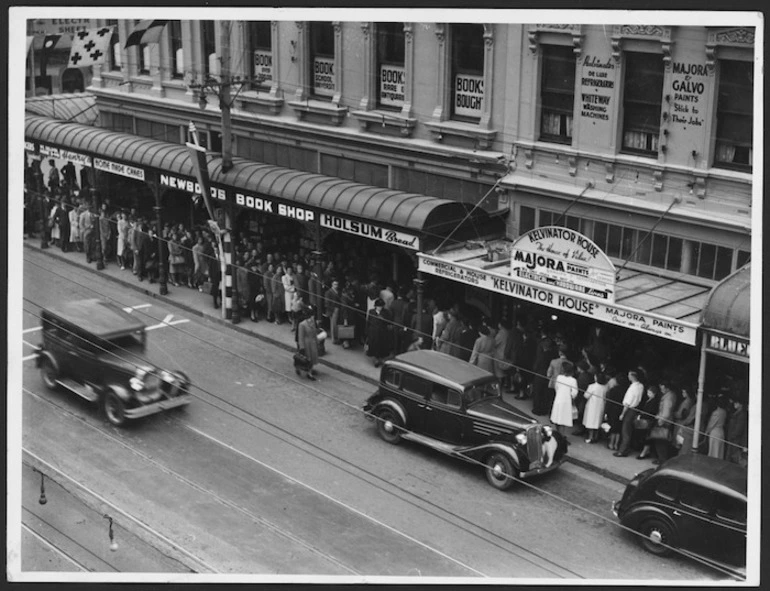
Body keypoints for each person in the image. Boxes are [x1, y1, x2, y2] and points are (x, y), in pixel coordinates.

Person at [614, 370, 645, 457]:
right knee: (629, 430)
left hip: (629, 409)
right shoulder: (641, 386)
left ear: (632, 377)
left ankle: (622, 451)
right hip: (635, 408)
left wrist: (622, 414)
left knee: (625, 431)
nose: (628, 377)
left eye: (629, 375)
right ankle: (626, 449)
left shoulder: (632, 388)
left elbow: (627, 403)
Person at [648, 381, 678, 464]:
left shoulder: (668, 398)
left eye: (662, 387)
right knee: (662, 441)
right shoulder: (672, 395)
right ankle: (662, 459)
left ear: (666, 387)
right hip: (666, 420)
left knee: (660, 441)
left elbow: (666, 413)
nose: (661, 389)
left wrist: (660, 420)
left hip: (663, 421)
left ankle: (662, 460)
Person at [531, 326, 557, 415]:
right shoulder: (553, 355)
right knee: (545, 393)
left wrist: (534, 370)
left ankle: (537, 409)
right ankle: (544, 409)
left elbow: (538, 363)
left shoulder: (542, 356)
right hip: (548, 375)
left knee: (538, 391)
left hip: (540, 373)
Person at [550, 362, 578, 436]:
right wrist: (571, 396)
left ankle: (558, 434)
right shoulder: (573, 380)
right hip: (566, 401)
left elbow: (556, 387)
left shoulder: (559, 377)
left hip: (558, 399)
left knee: (557, 417)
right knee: (563, 419)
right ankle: (561, 436)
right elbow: (575, 392)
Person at [634, 384, 660, 458]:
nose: (648, 394)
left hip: (648, 421)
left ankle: (644, 453)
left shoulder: (654, 402)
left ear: (654, 393)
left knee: (647, 437)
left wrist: (641, 415)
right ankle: (646, 451)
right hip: (646, 420)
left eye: (650, 393)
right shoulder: (650, 400)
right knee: (645, 437)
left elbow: (650, 412)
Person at [365, 298, 392, 367]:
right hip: (373, 333)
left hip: (382, 333)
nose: (380, 308)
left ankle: (380, 358)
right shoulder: (371, 312)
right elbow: (368, 322)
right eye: (379, 306)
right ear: (375, 306)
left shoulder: (386, 312)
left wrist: (384, 319)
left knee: (381, 347)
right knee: (374, 346)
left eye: (381, 306)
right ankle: (376, 360)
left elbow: (389, 322)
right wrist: (367, 332)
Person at [605, 372, 628, 451]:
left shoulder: (613, 390)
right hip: (621, 410)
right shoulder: (626, 390)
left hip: (613, 410)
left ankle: (611, 443)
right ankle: (616, 445)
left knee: (613, 428)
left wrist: (606, 412)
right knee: (618, 429)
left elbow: (609, 402)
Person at [583, 372, 608, 443]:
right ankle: (596, 437)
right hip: (601, 406)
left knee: (591, 422)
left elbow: (586, 395)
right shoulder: (605, 387)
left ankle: (590, 437)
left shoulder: (592, 386)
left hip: (592, 406)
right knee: (597, 422)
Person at [296, 307, 319, 380]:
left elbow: (315, 333)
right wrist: (301, 347)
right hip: (306, 344)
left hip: (312, 343)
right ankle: (303, 370)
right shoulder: (302, 324)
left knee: (312, 358)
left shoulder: (313, 323)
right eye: (312, 316)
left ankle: (310, 372)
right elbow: (301, 337)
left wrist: (317, 341)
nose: (313, 317)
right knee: (306, 359)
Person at [726, 396, 748, 466]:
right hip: (733, 440)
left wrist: (731, 436)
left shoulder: (741, 415)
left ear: (741, 404)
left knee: (735, 459)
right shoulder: (737, 413)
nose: (735, 404)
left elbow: (738, 430)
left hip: (736, 441)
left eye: (737, 402)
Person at [705, 395, 729, 460]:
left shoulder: (716, 412)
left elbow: (711, 424)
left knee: (714, 451)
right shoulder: (724, 412)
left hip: (715, 432)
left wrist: (706, 432)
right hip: (721, 432)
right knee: (719, 451)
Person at [323, 279, 343, 344]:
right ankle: (334, 339)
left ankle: (337, 337)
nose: (336, 286)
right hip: (333, 310)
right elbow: (327, 303)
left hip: (338, 309)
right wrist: (332, 309)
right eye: (335, 284)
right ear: (332, 285)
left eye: (337, 284)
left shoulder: (339, 292)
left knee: (337, 324)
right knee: (333, 325)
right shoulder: (328, 292)